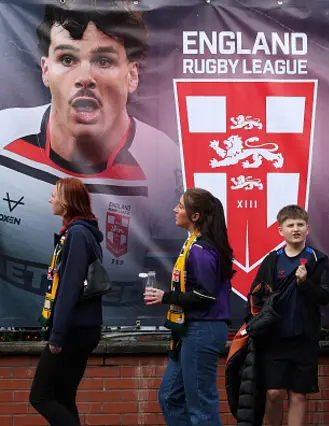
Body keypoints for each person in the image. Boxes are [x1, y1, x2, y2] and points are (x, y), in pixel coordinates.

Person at [0, 0, 183, 326]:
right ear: (45, 70)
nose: (85, 77)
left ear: (132, 75)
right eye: (67, 59)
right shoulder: (4, 140)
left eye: (103, 60)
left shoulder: (163, 160)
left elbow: (174, 277)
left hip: (121, 345)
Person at [144, 188, 233, 426]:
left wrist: (166, 297)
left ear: (195, 216)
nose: (175, 209)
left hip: (203, 329)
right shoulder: (193, 243)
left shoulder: (201, 249)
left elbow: (205, 295)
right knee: (169, 397)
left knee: (201, 406)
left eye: (180, 206)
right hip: (190, 329)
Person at [29, 177, 104, 426]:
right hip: (80, 328)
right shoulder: (77, 232)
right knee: (63, 397)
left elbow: (70, 287)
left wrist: (57, 335)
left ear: (68, 202)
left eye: (55, 194)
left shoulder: (79, 234)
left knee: (40, 396)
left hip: (74, 330)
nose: (50, 199)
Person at [249, 205, 329, 426]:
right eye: (290, 225)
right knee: (273, 394)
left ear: (308, 229)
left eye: (300, 225)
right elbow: (255, 296)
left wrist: (305, 284)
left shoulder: (317, 258)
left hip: (305, 339)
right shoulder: (272, 260)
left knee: (298, 395)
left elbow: (324, 297)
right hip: (275, 339)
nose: (296, 229)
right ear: (281, 230)